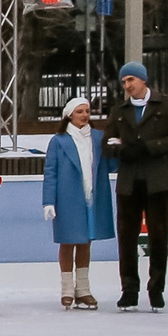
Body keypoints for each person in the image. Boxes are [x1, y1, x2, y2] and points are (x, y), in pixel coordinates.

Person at [105, 61, 168, 311]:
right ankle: (129, 289)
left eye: (131, 79)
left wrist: (149, 147)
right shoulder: (120, 110)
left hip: (158, 179)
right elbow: (107, 142)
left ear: (143, 80)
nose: (127, 85)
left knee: (158, 235)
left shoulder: (166, 104)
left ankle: (156, 288)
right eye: (123, 82)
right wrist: (122, 150)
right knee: (127, 236)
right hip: (130, 181)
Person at [40, 95, 114, 309]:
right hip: (68, 199)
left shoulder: (98, 138)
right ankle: (66, 288)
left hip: (91, 197)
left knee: (85, 242)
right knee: (67, 242)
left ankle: (83, 289)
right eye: (79, 112)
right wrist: (49, 201)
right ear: (69, 115)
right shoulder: (59, 141)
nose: (84, 115)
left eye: (87, 111)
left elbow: (111, 165)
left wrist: (117, 149)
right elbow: (51, 172)